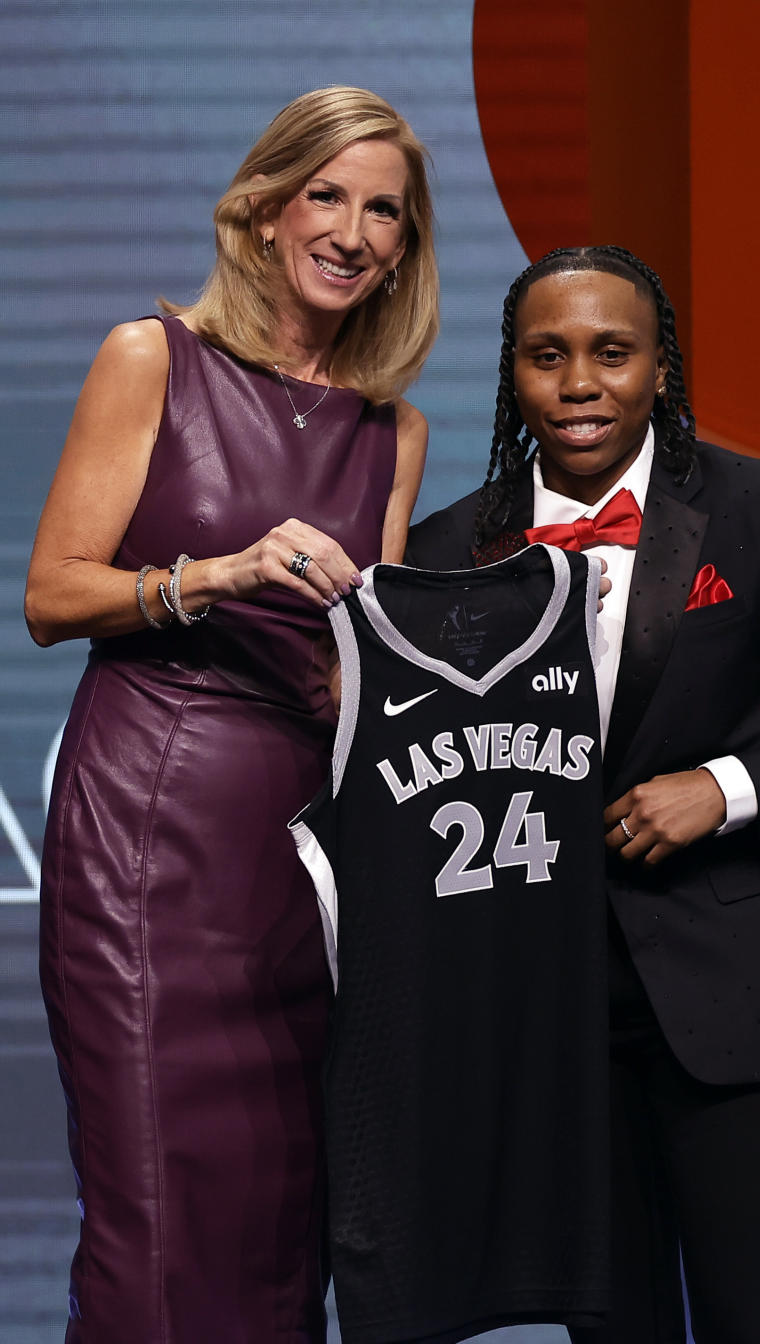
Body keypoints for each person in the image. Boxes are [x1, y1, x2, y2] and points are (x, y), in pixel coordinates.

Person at [404, 244, 760, 1344]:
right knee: (607, 1325)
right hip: (544, 1011)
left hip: (734, 989)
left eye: (612, 352)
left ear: (660, 368)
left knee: (755, 1319)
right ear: (513, 374)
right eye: (548, 356)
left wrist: (728, 786)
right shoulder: (445, 548)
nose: (582, 382)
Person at [24, 86, 438, 1344]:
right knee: (159, 1207)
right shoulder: (150, 357)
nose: (355, 232)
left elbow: (356, 665)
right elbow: (52, 595)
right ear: (264, 211)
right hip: (150, 830)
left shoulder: (393, 431)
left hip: (305, 858)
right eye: (329, 196)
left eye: (387, 213)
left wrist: (372, 679)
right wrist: (222, 574)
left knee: (281, 1214)